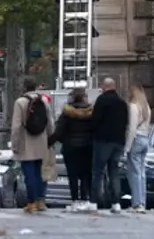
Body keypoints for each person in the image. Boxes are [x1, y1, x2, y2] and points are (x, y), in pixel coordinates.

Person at [11, 78, 53, 213]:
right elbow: (50, 121)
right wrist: (50, 138)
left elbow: (16, 126)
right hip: (41, 140)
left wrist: (14, 144)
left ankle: (31, 202)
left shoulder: (20, 102)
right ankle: (41, 200)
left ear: (24, 87)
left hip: (26, 142)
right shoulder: (44, 100)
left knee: (29, 173)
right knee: (40, 172)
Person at [91, 77, 128, 213]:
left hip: (103, 141)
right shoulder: (122, 103)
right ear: (114, 86)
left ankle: (95, 201)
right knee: (114, 171)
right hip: (118, 141)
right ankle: (116, 203)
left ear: (104, 86)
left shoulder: (102, 100)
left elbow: (95, 120)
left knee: (98, 171)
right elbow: (125, 122)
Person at [55, 87, 94, 211]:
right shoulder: (91, 112)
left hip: (70, 148)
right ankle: (85, 198)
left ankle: (75, 200)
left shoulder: (67, 113)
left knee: (73, 175)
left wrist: (64, 141)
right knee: (86, 174)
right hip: (87, 147)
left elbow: (59, 131)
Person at [124, 85, 153, 213]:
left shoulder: (133, 106)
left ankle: (136, 203)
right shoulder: (146, 107)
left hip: (136, 140)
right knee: (141, 173)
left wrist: (127, 147)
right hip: (145, 139)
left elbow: (132, 128)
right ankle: (142, 202)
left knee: (134, 173)